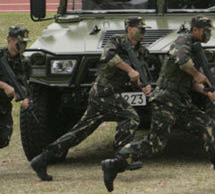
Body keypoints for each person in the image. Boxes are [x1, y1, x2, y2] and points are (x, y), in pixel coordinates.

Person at [101, 16, 215, 191]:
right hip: (166, 99)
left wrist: (208, 92)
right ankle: (114, 164)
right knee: (155, 143)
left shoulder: (195, 47)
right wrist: (197, 74)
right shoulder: (182, 41)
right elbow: (182, 61)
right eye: (206, 30)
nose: (208, 34)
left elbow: (191, 83)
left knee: (208, 125)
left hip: (181, 100)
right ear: (195, 30)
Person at [30, 17, 153, 181]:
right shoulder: (116, 41)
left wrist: (142, 86)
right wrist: (129, 70)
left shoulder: (141, 52)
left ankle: (42, 159)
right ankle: (122, 157)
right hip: (103, 92)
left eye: (144, 30)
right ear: (129, 28)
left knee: (79, 132)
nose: (143, 33)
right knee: (131, 117)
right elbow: (108, 56)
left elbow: (137, 77)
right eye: (140, 29)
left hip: (110, 93)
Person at [0, 26, 31, 150]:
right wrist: (4, 86)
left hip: (3, 105)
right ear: (10, 41)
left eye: (24, 43)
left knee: (3, 138)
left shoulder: (24, 63)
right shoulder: (1, 55)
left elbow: (25, 83)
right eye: (20, 43)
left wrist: (23, 97)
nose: (22, 46)